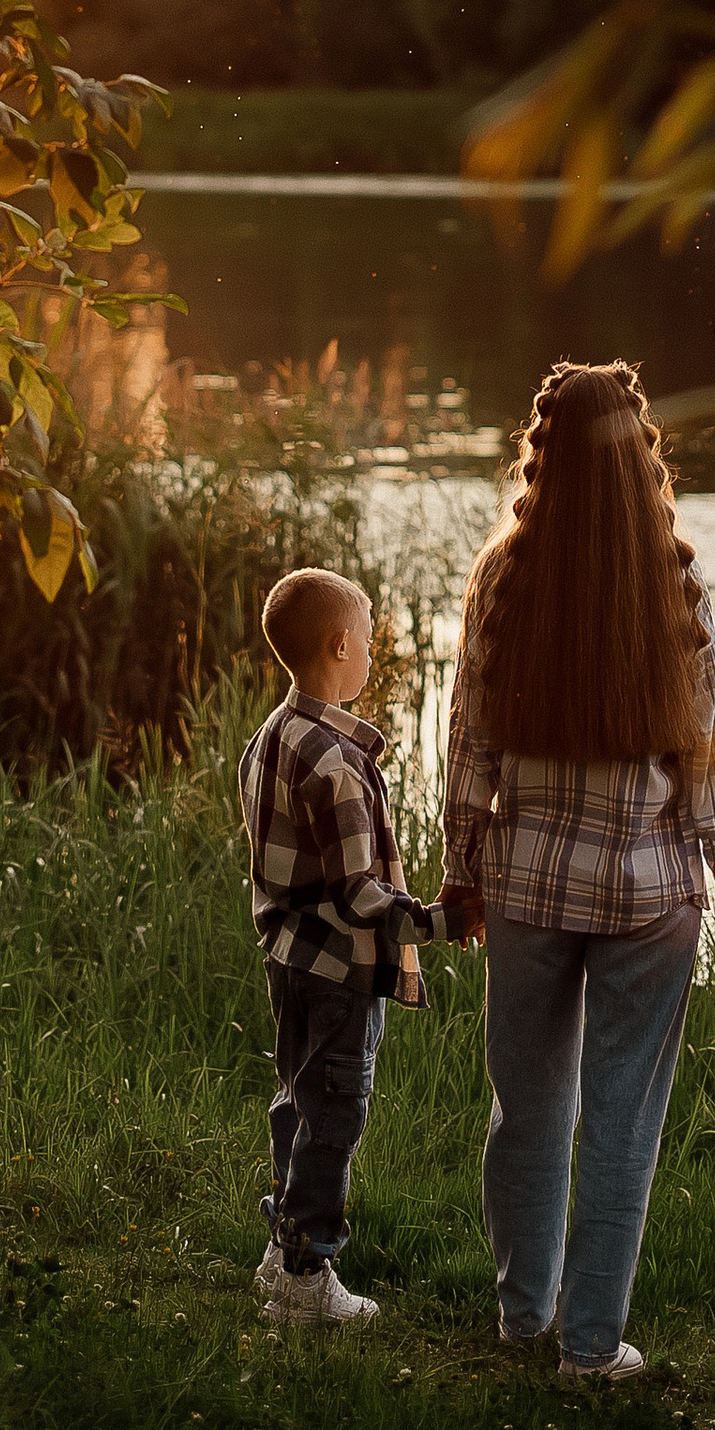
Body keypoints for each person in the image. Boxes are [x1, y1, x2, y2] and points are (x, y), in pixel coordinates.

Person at [441, 359, 715, 1384]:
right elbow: (710, 756)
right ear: (640, 463)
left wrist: (461, 869)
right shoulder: (672, 588)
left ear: (539, 457)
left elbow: (469, 740)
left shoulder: (503, 577)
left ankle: (521, 1316)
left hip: (529, 882)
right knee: (622, 1122)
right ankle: (590, 1347)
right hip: (647, 895)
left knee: (528, 1106)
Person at [238, 562, 465, 1328]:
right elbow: (359, 896)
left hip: (287, 959)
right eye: (368, 640)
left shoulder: (273, 735)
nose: (373, 652)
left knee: (297, 1100)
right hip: (336, 970)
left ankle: (282, 1247)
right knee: (335, 1111)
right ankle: (306, 1272)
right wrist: (441, 922)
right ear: (340, 645)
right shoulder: (335, 764)